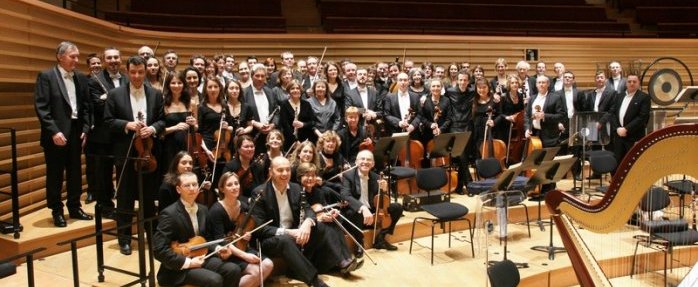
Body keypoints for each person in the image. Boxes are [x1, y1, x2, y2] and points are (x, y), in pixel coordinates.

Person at [104, 55, 165, 255]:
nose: (137, 76)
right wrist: (127, 125)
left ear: (145, 71)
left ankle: (152, 238)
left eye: (140, 72)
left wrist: (153, 129)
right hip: (126, 154)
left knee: (148, 198)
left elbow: (162, 121)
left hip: (149, 154)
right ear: (127, 71)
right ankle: (125, 240)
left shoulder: (155, 94)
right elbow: (107, 121)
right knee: (125, 198)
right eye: (133, 72)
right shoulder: (115, 94)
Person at [34, 41, 93, 227]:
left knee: (75, 173)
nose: (76, 60)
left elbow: (86, 107)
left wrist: (85, 130)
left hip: (76, 132)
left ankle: (74, 207)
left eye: (77, 56)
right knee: (55, 174)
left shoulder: (81, 78)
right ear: (60, 56)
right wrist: (54, 131)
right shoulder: (46, 76)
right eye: (72, 56)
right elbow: (42, 108)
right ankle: (56, 211)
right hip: (56, 135)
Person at [250, 156, 331, 287]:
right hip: (271, 239)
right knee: (284, 239)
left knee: (319, 227)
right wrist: (287, 232)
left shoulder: (295, 188)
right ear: (271, 172)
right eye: (280, 170)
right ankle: (315, 281)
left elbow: (309, 210)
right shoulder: (260, 193)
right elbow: (259, 228)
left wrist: (307, 223)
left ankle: (295, 270)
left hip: (294, 234)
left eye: (287, 170)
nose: (285, 174)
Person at [153, 172, 242, 287]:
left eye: (194, 185)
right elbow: (159, 250)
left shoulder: (203, 210)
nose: (192, 189)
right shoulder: (169, 214)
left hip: (201, 257)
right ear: (179, 189)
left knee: (233, 270)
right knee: (214, 280)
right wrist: (189, 263)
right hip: (178, 268)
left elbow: (207, 238)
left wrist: (218, 248)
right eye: (187, 185)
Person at [206, 172, 274, 287]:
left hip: (240, 247)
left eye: (236, 183)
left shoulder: (243, 206)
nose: (234, 187)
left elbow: (244, 231)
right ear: (222, 189)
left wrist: (247, 235)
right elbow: (221, 241)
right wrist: (245, 255)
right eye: (229, 185)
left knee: (268, 265)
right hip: (223, 252)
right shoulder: (216, 210)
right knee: (255, 271)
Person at [87, 47, 129, 219]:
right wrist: (118, 101)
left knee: (124, 172)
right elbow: (98, 106)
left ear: (120, 59)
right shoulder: (94, 80)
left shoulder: (127, 79)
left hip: (123, 134)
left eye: (116, 57)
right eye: (109, 58)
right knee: (103, 173)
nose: (113, 60)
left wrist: (109, 99)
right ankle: (105, 206)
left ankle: (124, 205)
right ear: (104, 60)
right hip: (102, 136)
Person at [297, 163, 361, 275]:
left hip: (319, 224)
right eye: (306, 175)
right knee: (325, 226)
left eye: (313, 175)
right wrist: (319, 218)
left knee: (336, 221)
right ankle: (341, 261)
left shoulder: (318, 192)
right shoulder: (297, 192)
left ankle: (346, 259)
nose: (310, 178)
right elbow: (299, 215)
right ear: (299, 177)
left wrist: (331, 213)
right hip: (305, 229)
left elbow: (323, 209)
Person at [341, 150, 403, 255]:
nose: (365, 162)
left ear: (373, 164)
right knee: (354, 211)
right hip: (357, 214)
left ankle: (381, 239)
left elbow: (382, 201)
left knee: (397, 207)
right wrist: (362, 208)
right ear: (356, 162)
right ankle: (359, 243)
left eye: (369, 159)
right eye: (362, 159)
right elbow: (345, 195)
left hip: (373, 213)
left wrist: (384, 190)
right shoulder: (348, 176)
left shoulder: (377, 177)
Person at [602, 74, 650, 169]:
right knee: (619, 163)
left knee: (634, 163)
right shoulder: (619, 96)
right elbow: (613, 113)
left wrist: (626, 129)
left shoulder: (644, 97)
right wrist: (617, 129)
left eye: (634, 81)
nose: (631, 83)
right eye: (629, 81)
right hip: (619, 136)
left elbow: (642, 117)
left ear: (639, 83)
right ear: (626, 83)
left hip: (634, 137)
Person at [244, 64, 280, 154]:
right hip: (252, 135)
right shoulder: (244, 93)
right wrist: (256, 124)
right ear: (252, 76)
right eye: (257, 75)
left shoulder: (270, 92)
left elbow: (277, 111)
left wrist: (272, 125)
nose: (260, 78)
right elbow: (241, 115)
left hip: (270, 135)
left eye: (262, 76)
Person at [223, 135, 266, 200]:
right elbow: (227, 188)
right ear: (238, 149)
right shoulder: (230, 166)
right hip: (235, 200)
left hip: (255, 201)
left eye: (252, 146)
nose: (250, 149)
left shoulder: (258, 166)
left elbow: (262, 187)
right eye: (246, 147)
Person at [279, 80, 314, 150]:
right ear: (289, 91)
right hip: (289, 142)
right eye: (292, 88)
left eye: (297, 88)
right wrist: (295, 141)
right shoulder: (284, 105)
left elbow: (312, 122)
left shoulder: (306, 104)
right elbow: (285, 125)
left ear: (300, 90)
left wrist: (303, 124)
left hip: (305, 141)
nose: (295, 90)